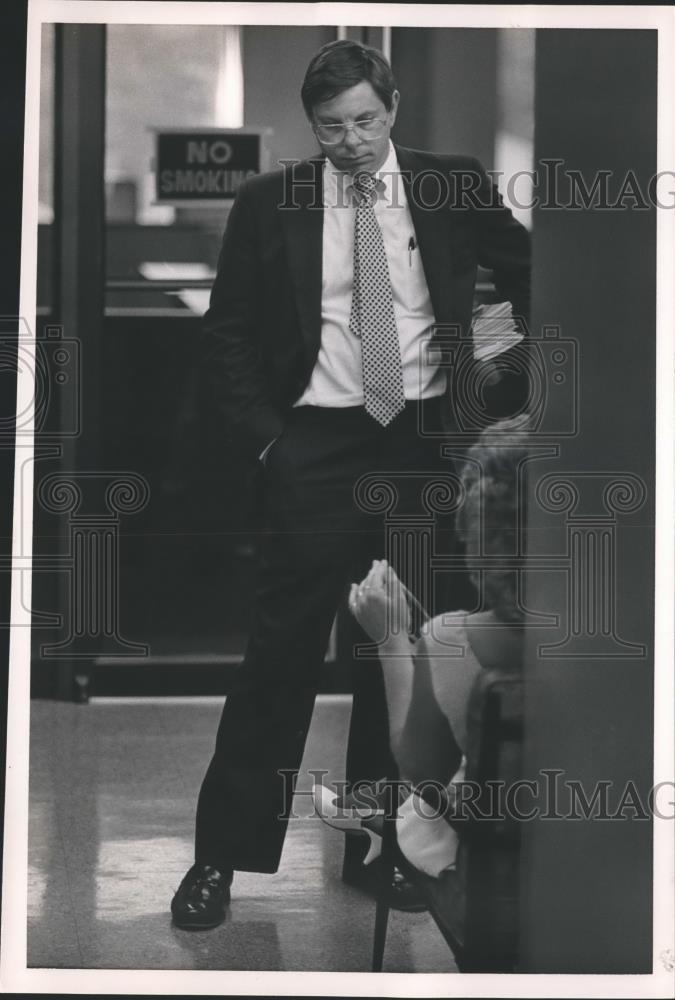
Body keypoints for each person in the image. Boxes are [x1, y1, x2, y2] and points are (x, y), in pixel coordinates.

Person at [171, 39, 530, 930]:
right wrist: (270, 446)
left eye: (366, 120)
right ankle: (218, 859)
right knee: (278, 658)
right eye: (332, 127)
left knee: (394, 653)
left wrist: (496, 379)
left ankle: (384, 853)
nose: (352, 141)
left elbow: (542, 281)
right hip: (316, 446)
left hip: (419, 445)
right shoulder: (270, 202)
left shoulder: (450, 183)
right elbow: (227, 338)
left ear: (393, 110)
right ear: (312, 126)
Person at [315, 416, 529, 877]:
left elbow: (422, 771)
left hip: (498, 873)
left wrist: (391, 638)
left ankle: (377, 811)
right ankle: (373, 806)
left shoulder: (455, 640)